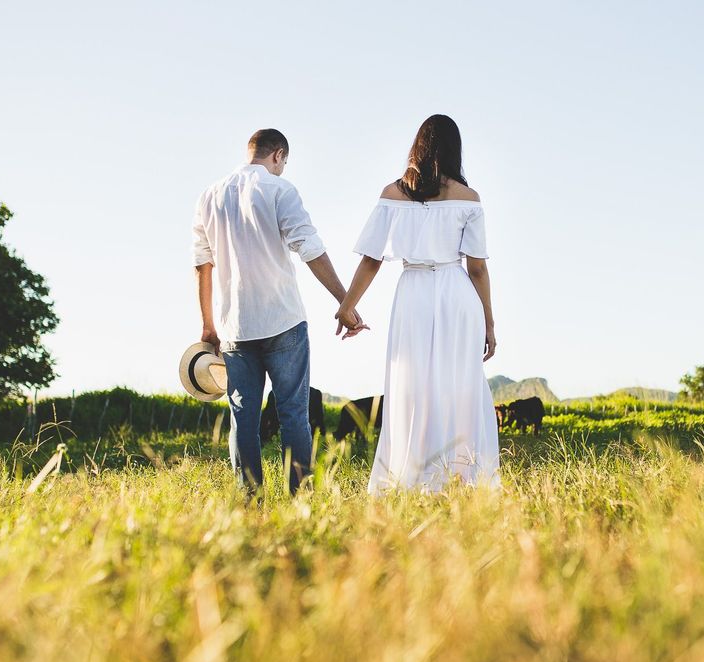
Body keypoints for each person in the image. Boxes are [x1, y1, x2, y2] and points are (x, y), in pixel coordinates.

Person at [191, 128, 365, 497]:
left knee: (243, 419)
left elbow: (201, 265)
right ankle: (299, 498)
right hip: (283, 321)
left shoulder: (209, 196)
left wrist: (208, 325)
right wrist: (344, 302)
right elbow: (310, 247)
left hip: (235, 326)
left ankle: (249, 497)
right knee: (293, 416)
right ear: (279, 156)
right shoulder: (279, 189)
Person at [336, 114, 501, 494]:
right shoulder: (468, 199)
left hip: (412, 293)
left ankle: (410, 475)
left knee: (410, 386)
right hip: (456, 292)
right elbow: (477, 269)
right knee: (459, 383)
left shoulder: (393, 194)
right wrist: (489, 323)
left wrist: (348, 305)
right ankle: (461, 476)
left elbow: (371, 259)